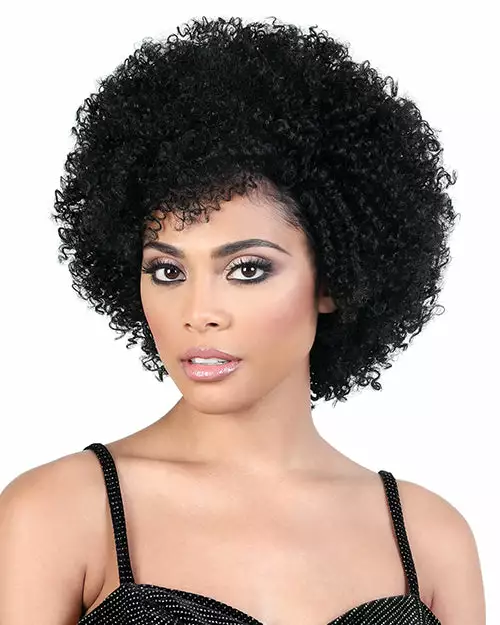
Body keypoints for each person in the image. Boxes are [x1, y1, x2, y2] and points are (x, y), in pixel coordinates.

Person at [0, 15, 485, 625]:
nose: (198, 313)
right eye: (167, 271)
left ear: (333, 279)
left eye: (248, 269)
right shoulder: (58, 513)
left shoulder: (429, 538)